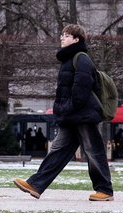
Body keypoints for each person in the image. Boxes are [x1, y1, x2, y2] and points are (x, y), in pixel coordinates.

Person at [13, 24, 114, 202]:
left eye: (66, 36)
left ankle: (105, 190)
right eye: (62, 35)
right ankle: (36, 184)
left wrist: (65, 108)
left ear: (76, 39)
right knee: (58, 151)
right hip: (71, 115)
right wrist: (62, 109)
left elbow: (81, 90)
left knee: (93, 151)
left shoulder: (81, 58)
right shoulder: (69, 60)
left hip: (82, 115)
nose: (62, 38)